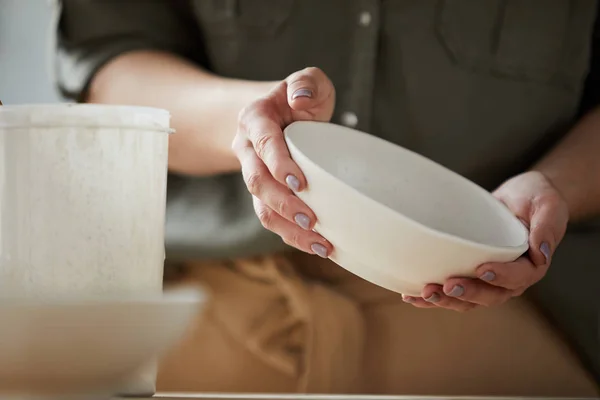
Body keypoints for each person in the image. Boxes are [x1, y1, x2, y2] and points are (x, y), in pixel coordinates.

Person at [54, 0, 600, 396]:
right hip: (208, 309)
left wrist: (557, 189)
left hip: (501, 334)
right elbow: (113, 68)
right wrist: (255, 125)